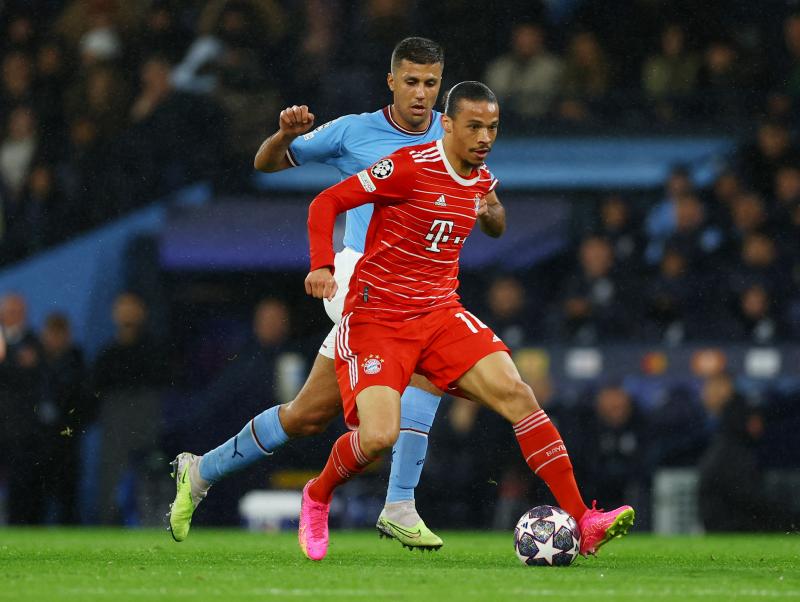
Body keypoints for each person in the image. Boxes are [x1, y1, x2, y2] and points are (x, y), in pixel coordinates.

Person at [168, 37, 505, 551]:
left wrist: (488, 210)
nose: (420, 94)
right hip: (358, 276)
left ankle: (200, 471)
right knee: (427, 365)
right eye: (410, 82)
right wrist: (283, 135)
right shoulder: (353, 131)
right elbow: (267, 163)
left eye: (430, 84)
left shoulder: (454, 132)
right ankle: (400, 505)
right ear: (391, 82)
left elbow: (484, 200)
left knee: (306, 415)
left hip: (413, 287)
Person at [299, 81, 634, 561]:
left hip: (439, 314)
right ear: (448, 124)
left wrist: (493, 211)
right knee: (377, 437)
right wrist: (320, 264)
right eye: (474, 126)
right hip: (379, 318)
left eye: (492, 127)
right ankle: (317, 495)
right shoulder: (408, 168)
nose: (484, 137)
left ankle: (585, 519)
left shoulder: (480, 177)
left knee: (519, 394)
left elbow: (494, 224)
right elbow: (324, 202)